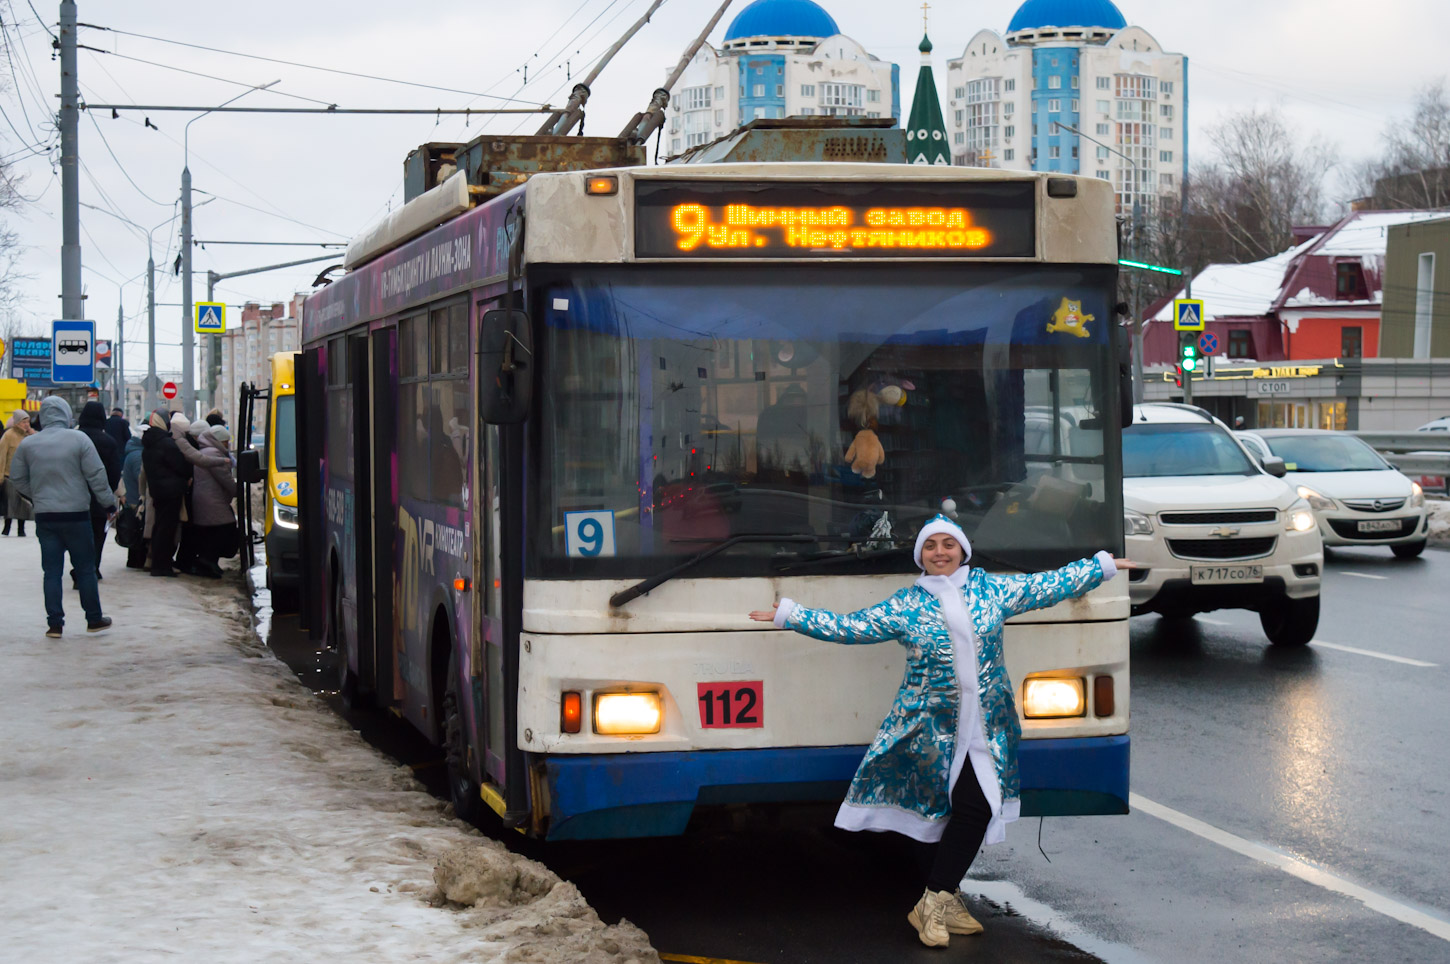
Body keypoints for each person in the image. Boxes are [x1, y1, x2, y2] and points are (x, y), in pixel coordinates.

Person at [749, 515, 1133, 948]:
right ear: (921, 556)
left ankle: (935, 899)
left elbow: (1045, 586)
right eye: (931, 546)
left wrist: (1099, 567)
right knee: (935, 813)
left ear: (963, 551)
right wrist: (791, 614)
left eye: (949, 544)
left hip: (986, 725)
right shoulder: (907, 604)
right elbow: (852, 627)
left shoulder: (992, 591)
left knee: (979, 804)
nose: (940, 552)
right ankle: (939, 898)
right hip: (929, 728)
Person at [6, 396, 116, 637]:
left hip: (46, 516)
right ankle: (94, 618)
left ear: (42, 417)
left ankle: (55, 623)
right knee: (85, 568)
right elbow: (96, 475)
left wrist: (37, 496)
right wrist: (109, 502)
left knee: (52, 571)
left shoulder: (29, 444)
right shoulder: (79, 440)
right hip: (77, 515)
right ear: (66, 415)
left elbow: (17, 479)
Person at [173, 423, 237, 578]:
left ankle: (208, 562)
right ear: (219, 441)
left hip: (205, 500)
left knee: (210, 532)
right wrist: (237, 490)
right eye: (226, 442)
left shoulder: (204, 451)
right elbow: (226, 479)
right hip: (212, 501)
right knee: (224, 528)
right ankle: (207, 561)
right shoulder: (214, 454)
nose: (227, 445)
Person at [140, 409, 191, 577]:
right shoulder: (167, 444)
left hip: (157, 490)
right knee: (167, 530)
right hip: (172, 491)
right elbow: (181, 466)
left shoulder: (148, 443)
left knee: (159, 527)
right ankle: (162, 566)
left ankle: (157, 563)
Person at [76, 401, 122, 581]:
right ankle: (93, 567)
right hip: (99, 498)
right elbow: (114, 472)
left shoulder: (74, 438)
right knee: (97, 534)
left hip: (75, 496)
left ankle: (79, 567)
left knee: (78, 536)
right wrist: (107, 492)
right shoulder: (108, 442)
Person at [1, 410, 35, 536]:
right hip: (9, 475)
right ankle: (7, 528)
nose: (26, 424)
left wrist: (32, 433)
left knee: (23, 504)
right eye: (23, 422)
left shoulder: (29, 436)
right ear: (17, 422)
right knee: (10, 503)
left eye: (27, 422)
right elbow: (2, 456)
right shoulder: (8, 435)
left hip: (25, 476)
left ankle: (21, 528)